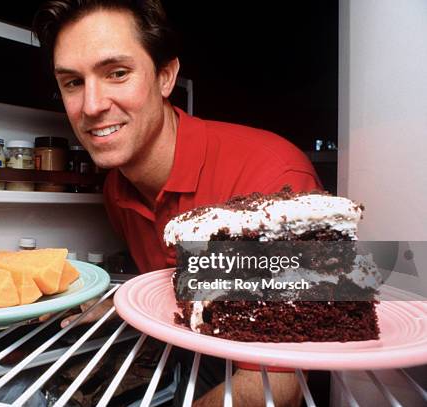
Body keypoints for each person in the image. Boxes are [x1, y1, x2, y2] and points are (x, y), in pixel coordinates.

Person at [33, 1, 320, 406]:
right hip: (202, 365)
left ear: (166, 76)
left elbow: (279, 383)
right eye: (73, 82)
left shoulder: (276, 177)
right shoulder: (117, 189)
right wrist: (121, 301)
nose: (92, 105)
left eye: (117, 73)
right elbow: (185, 284)